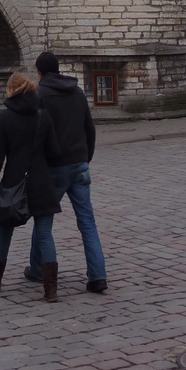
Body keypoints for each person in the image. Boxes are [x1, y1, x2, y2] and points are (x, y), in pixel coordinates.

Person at [0, 71, 63, 301]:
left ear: (11, 91)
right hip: (41, 182)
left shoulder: (5, 119)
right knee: (44, 236)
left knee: (4, 231)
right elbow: (54, 152)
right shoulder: (43, 116)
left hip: (14, 182)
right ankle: (51, 290)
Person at [26, 51, 108, 293]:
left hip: (55, 167)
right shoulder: (77, 91)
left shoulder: (41, 95)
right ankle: (98, 276)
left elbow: (36, 134)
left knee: (43, 221)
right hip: (79, 164)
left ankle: (39, 270)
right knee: (87, 222)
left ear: (39, 72)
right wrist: (86, 157)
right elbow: (89, 128)